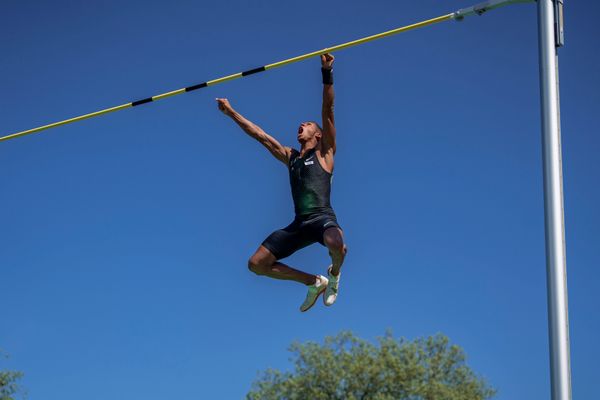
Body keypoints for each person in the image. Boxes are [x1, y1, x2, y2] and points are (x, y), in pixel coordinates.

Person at [216, 53, 347, 312]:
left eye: (308, 124)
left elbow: (328, 111)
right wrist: (231, 113)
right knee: (256, 264)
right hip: (299, 224)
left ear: (318, 134)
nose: (302, 125)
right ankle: (314, 282)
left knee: (337, 244)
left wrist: (326, 73)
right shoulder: (291, 157)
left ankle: (333, 275)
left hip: (322, 219)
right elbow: (261, 136)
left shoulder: (326, 153)